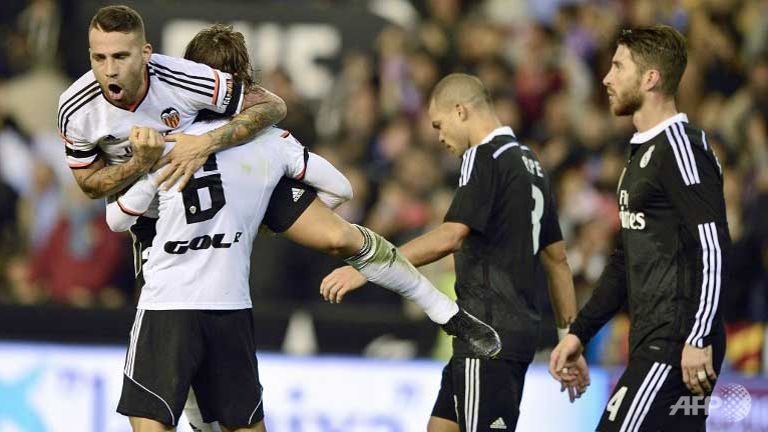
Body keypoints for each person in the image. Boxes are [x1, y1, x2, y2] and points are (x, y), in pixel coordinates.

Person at [108, 25, 503, 432]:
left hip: (167, 303)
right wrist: (267, 217)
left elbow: (117, 219)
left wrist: (146, 175)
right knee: (343, 238)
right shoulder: (268, 135)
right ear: (244, 80)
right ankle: (442, 309)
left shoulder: (161, 139)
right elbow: (341, 188)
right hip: (229, 304)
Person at [320, 73, 587, 432]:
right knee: (440, 427)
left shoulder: (483, 156)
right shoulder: (532, 165)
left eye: (439, 124)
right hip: (507, 332)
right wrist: (568, 337)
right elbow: (557, 261)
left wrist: (369, 267)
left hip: (488, 333)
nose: (440, 137)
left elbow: (451, 235)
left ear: (461, 111)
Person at [549, 25, 729, 431]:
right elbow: (624, 261)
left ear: (651, 78)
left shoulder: (681, 149)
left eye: (618, 66)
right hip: (655, 340)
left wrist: (697, 337)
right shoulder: (639, 154)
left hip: (676, 342)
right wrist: (579, 334)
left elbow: (713, 247)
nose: (606, 78)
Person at [57, 5, 287, 202]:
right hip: (140, 210)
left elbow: (273, 105)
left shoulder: (182, 78)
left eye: (120, 56)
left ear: (145, 53)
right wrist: (140, 163)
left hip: (205, 193)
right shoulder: (75, 109)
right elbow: (89, 186)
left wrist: (204, 143)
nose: (110, 71)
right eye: (99, 58)